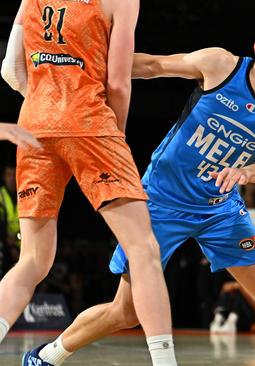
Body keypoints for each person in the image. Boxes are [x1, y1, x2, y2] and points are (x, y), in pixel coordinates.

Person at [23, 15, 255, 366]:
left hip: (219, 207)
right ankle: (46, 356)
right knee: (126, 312)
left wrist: (247, 172)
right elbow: (152, 66)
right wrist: (87, 62)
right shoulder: (221, 65)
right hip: (161, 200)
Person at [1, 1, 178, 365]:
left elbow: (10, 69)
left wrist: (45, 103)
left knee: (33, 260)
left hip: (33, 124)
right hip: (89, 123)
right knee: (143, 250)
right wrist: (116, 134)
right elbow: (117, 81)